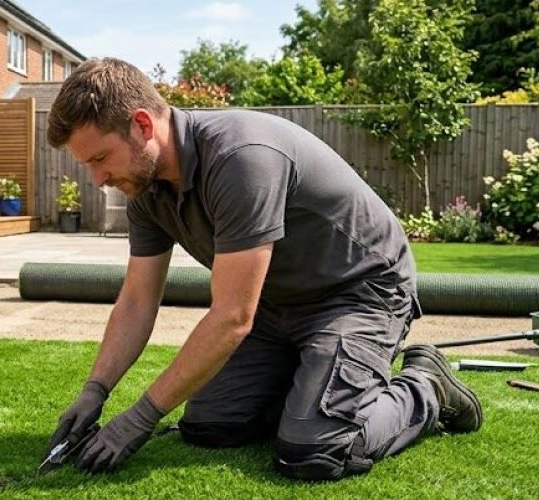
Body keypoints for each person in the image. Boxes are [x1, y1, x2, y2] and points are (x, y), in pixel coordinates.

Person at [43, 58, 483, 481]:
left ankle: (425, 386)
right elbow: (138, 300)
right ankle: (312, 382)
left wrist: (138, 418)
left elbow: (233, 318)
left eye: (100, 159)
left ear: (142, 125)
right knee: (211, 425)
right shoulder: (145, 189)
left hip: (360, 292)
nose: (98, 180)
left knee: (314, 449)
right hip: (277, 305)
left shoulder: (240, 157)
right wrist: (95, 391)